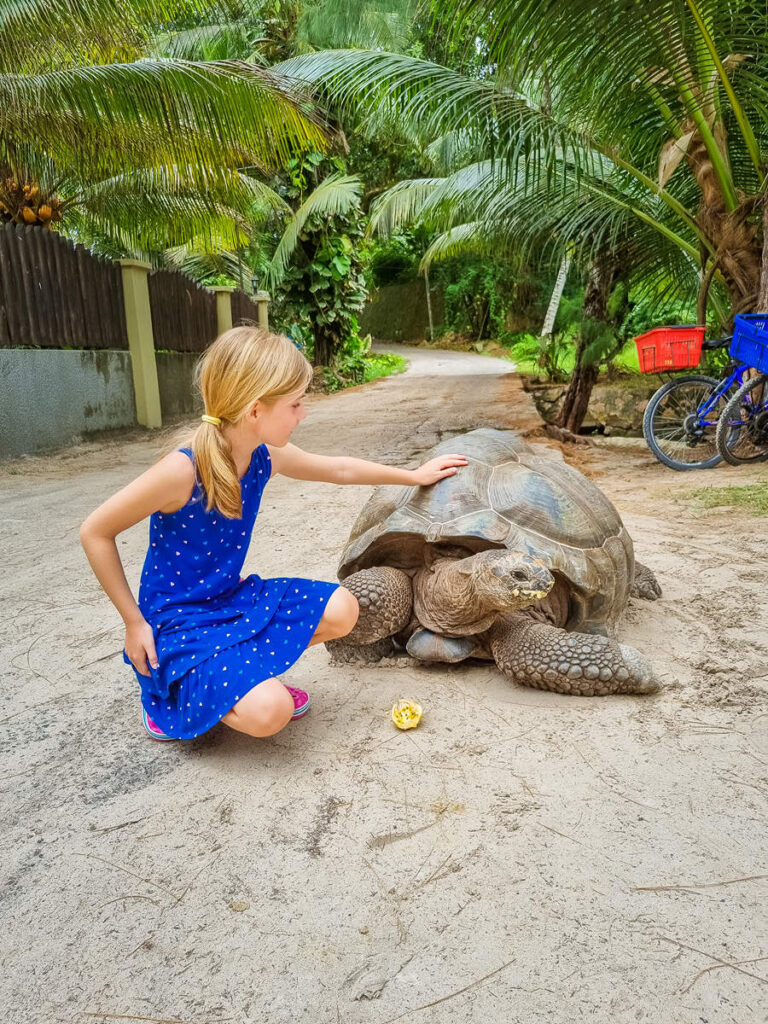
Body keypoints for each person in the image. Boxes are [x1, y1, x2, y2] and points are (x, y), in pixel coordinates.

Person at [80, 326, 467, 743]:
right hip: (178, 622)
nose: (304, 413)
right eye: (296, 403)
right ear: (254, 411)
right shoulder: (182, 470)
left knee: (344, 609)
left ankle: (239, 676)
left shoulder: (265, 456)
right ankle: (173, 692)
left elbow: (338, 470)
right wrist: (134, 623)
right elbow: (95, 532)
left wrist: (412, 475)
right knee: (271, 713)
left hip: (229, 600)